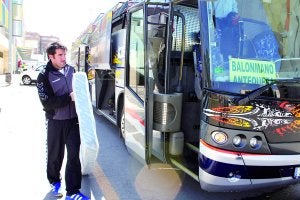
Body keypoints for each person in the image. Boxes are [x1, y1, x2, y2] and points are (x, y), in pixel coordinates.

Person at [36, 42, 90, 200]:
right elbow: (47, 103)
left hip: (73, 121)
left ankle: (72, 192)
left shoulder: (71, 70)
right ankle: (54, 181)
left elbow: (80, 91)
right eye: (60, 55)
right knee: (55, 155)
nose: (64, 58)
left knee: (74, 155)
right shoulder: (43, 75)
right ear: (51, 56)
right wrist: (68, 98)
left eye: (65, 54)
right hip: (55, 121)